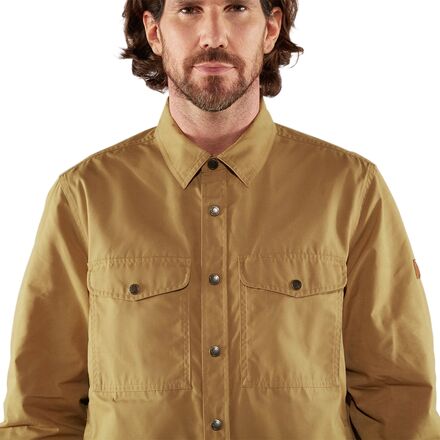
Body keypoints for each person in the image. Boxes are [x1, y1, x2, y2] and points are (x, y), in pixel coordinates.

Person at [0, 0, 439, 438]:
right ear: (154, 32)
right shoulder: (83, 197)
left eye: (236, 8)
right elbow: (42, 410)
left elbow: (398, 401)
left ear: (270, 29)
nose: (213, 35)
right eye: (189, 9)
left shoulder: (351, 190)